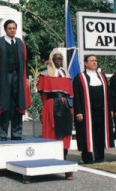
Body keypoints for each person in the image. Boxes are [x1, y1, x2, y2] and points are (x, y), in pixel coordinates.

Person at [0, 19, 31, 141]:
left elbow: (25, 62)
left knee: (18, 105)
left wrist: (27, 78)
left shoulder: (20, 43)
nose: (12, 30)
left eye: (14, 28)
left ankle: (17, 133)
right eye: (10, 28)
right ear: (5, 29)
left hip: (18, 78)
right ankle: (3, 134)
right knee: (4, 106)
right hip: (3, 77)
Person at [38, 51, 74, 180]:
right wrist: (49, 107)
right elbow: (43, 95)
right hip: (51, 105)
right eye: (56, 58)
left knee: (65, 135)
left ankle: (65, 166)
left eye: (60, 58)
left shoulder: (66, 75)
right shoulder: (45, 74)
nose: (58, 60)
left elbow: (69, 94)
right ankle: (49, 165)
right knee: (52, 134)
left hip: (65, 106)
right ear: (52, 59)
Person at [73, 54, 114, 164]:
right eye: (91, 61)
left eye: (95, 60)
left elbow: (108, 95)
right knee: (86, 134)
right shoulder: (80, 78)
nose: (94, 62)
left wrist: (110, 109)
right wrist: (78, 111)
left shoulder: (102, 76)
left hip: (101, 112)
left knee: (100, 134)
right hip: (87, 112)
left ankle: (100, 157)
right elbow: (76, 96)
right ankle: (87, 158)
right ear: (86, 63)